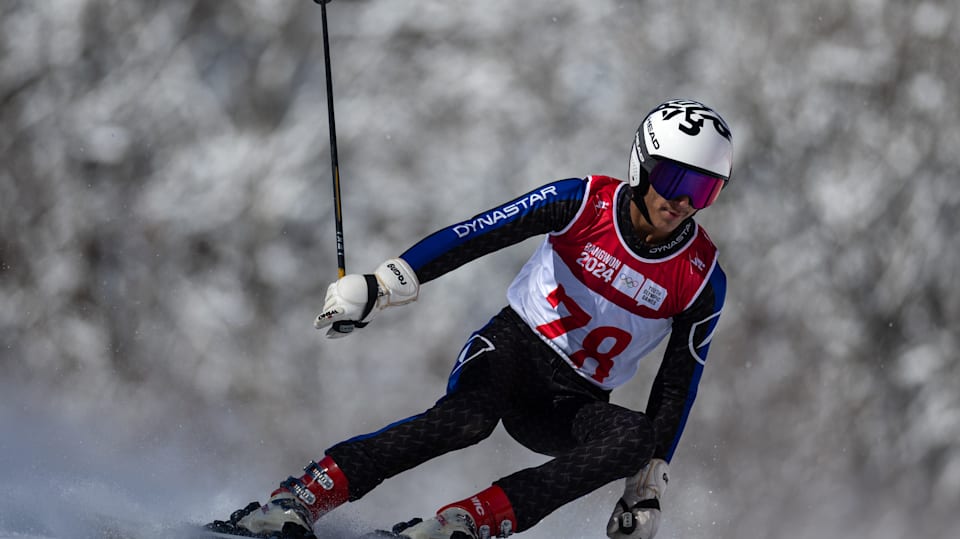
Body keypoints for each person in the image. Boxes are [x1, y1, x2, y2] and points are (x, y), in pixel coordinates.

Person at [206, 99, 733, 539]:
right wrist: (385, 284)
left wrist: (646, 488)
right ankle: (301, 496)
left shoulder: (701, 276)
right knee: (467, 419)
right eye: (675, 178)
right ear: (643, 164)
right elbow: (477, 233)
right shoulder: (584, 202)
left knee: (634, 439)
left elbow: (676, 384)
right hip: (511, 350)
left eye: (705, 190)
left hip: (574, 400)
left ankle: (467, 522)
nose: (684, 201)